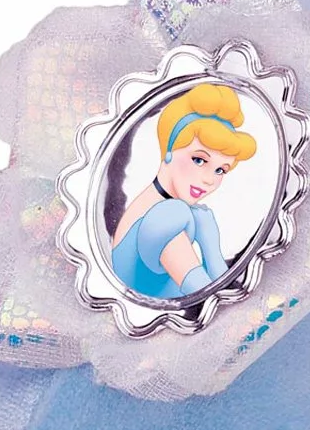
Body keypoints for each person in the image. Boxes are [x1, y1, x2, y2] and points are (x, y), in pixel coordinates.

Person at [110, 83, 257, 300]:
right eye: (199, 160)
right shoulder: (169, 215)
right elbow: (216, 299)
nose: (209, 180)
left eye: (220, 170)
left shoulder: (145, 208)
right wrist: (210, 245)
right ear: (169, 150)